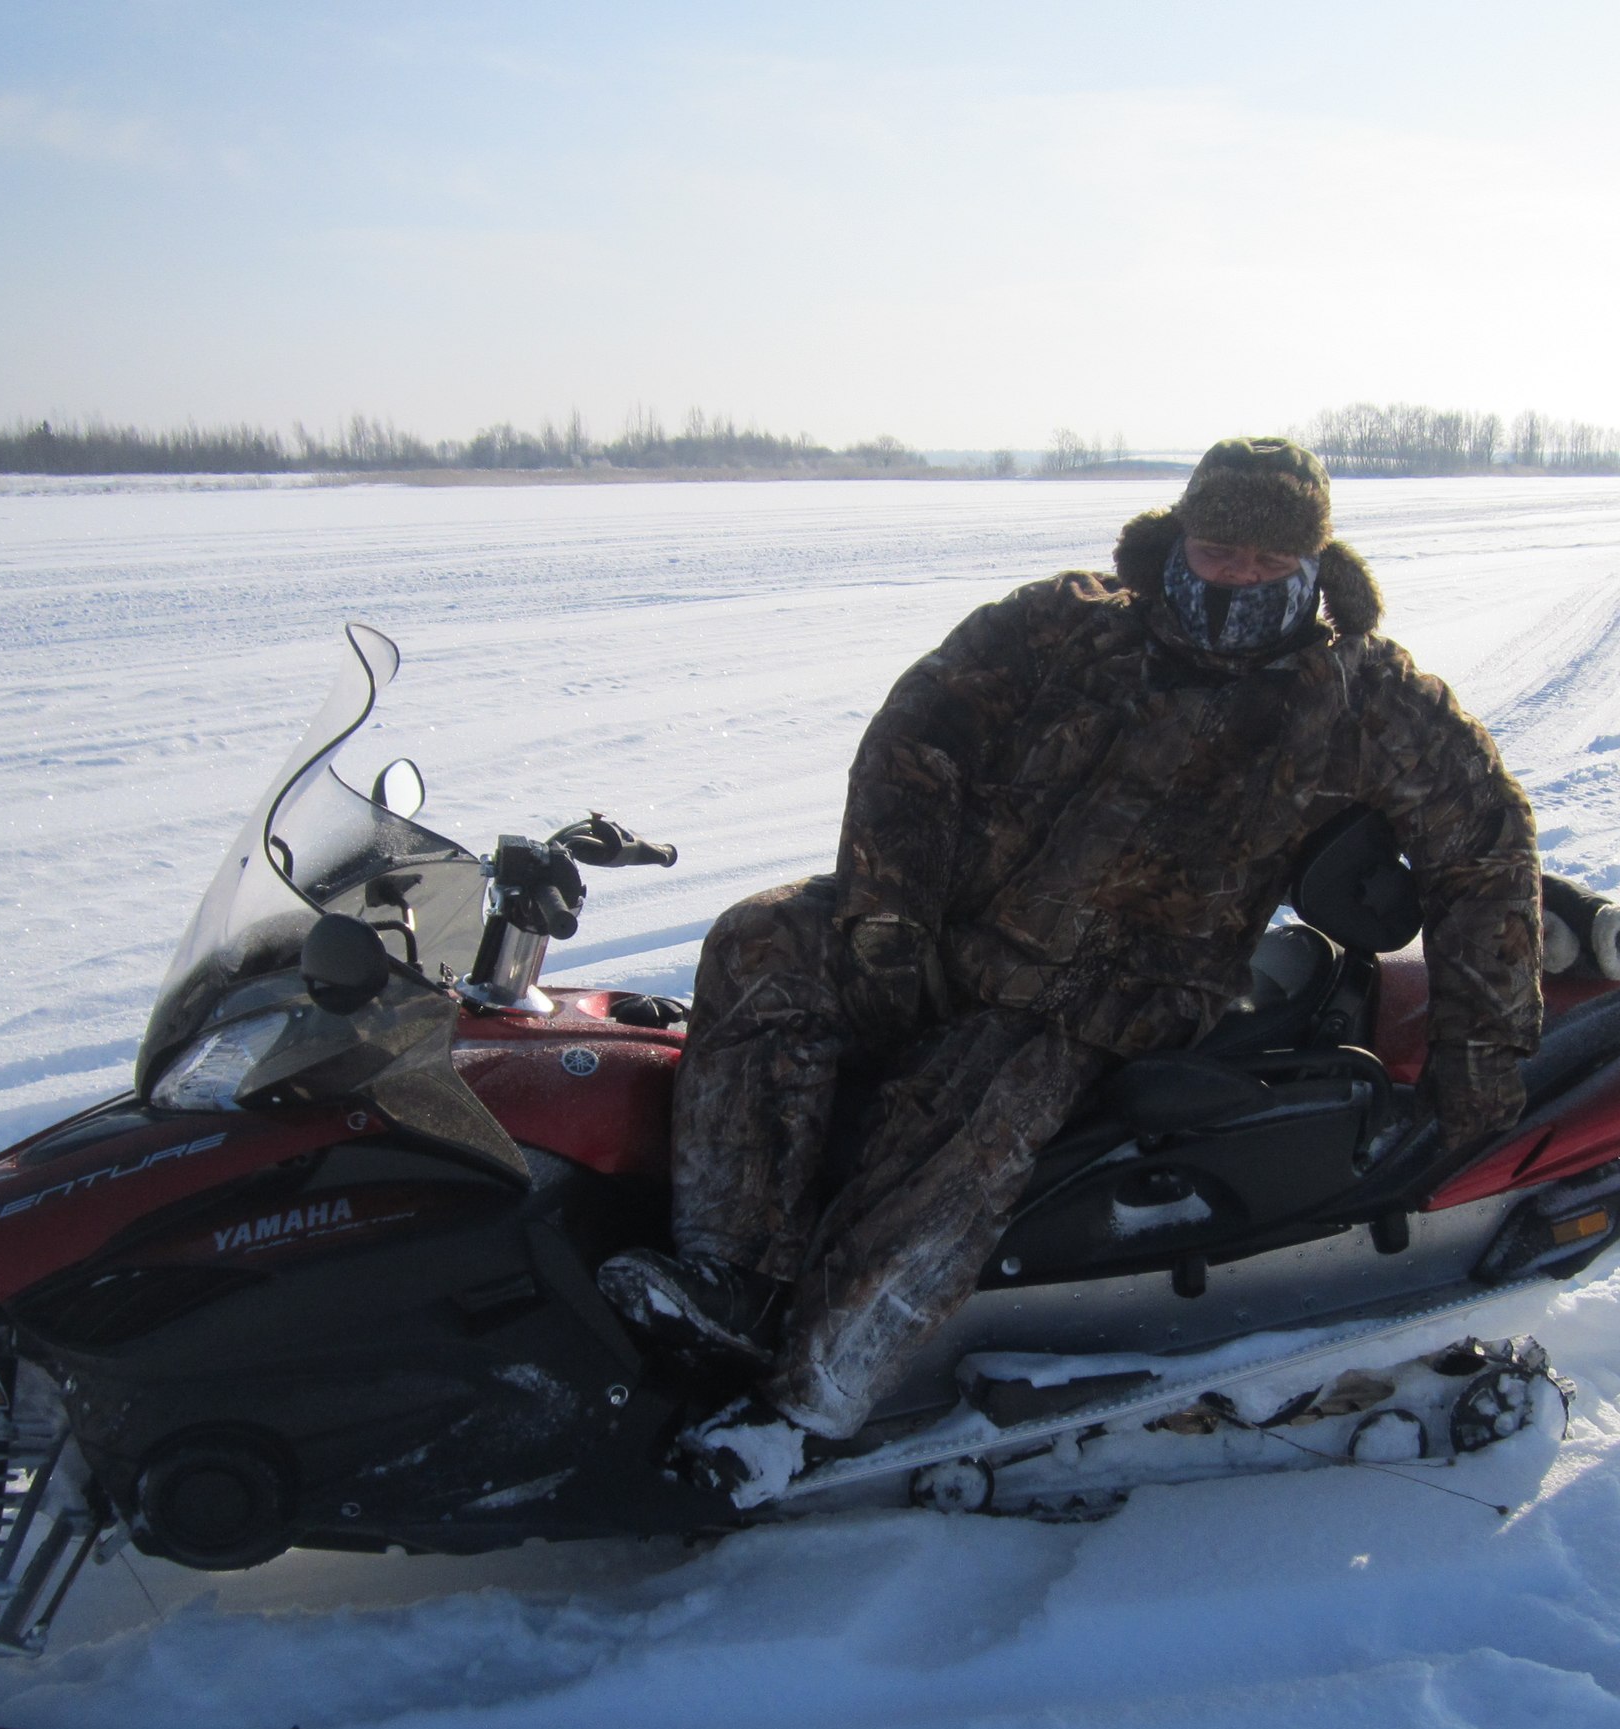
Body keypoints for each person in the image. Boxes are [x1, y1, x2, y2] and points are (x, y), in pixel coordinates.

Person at [600, 438, 1543, 1500]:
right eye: (1218, 550)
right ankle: (730, 1271)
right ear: (1180, 537)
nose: (1236, 577)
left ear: (1314, 564)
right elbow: (914, 741)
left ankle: (801, 1411)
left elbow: (1485, 845)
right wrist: (888, 919)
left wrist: (1481, 1048)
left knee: (967, 1111)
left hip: (1118, 991)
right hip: (953, 925)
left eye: (1268, 562)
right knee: (759, 940)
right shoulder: (1068, 622)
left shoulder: (1367, 697)